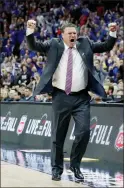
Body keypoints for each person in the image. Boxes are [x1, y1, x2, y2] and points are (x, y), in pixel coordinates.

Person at [26, 20, 117, 181]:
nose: (73, 35)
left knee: (83, 132)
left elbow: (105, 46)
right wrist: (30, 31)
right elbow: (34, 46)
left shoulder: (86, 43)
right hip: (60, 96)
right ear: (62, 35)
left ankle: (75, 164)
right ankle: (56, 169)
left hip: (81, 97)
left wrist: (112, 33)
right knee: (58, 136)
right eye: (70, 33)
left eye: (75, 33)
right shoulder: (54, 44)